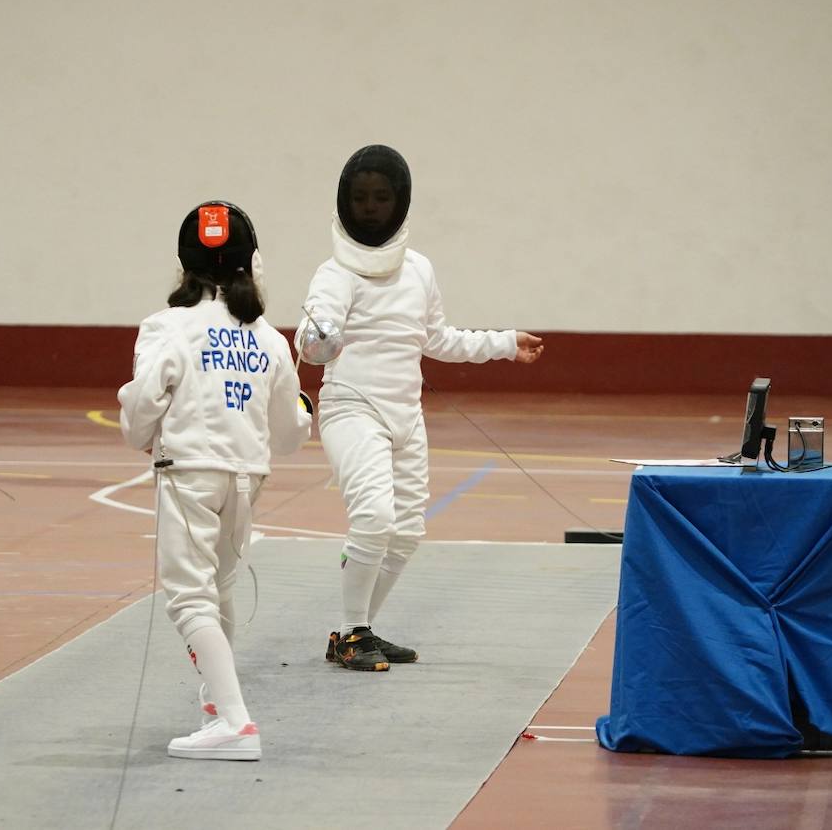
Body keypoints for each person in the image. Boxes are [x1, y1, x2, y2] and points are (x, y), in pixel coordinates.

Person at [296, 144, 545, 672]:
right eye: (360, 198)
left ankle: (354, 631)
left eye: (380, 197)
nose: (369, 207)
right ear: (344, 202)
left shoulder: (419, 270)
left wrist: (503, 343)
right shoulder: (333, 275)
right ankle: (352, 634)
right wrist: (320, 341)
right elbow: (312, 344)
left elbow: (438, 338)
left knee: (406, 531)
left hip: (406, 418)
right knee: (373, 517)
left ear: (401, 202)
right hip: (351, 409)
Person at [119, 201, 311, 761]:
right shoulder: (271, 339)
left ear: (185, 265)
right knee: (219, 587)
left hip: (189, 474)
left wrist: (135, 404)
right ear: (251, 264)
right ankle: (215, 704)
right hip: (248, 478)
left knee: (188, 597)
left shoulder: (167, 327)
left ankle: (235, 722)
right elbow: (292, 433)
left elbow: (136, 424)